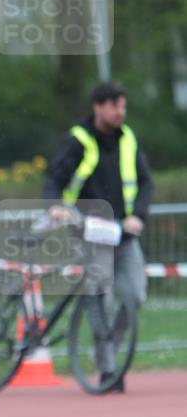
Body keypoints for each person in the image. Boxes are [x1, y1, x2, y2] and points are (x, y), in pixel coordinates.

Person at [43, 80, 154, 391]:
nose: (121, 112)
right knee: (99, 298)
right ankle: (108, 369)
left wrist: (138, 215)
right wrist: (55, 207)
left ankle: (108, 349)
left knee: (135, 294)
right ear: (98, 107)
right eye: (115, 106)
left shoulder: (128, 138)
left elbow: (145, 182)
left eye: (123, 106)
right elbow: (54, 178)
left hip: (123, 233)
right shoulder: (78, 140)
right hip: (89, 232)